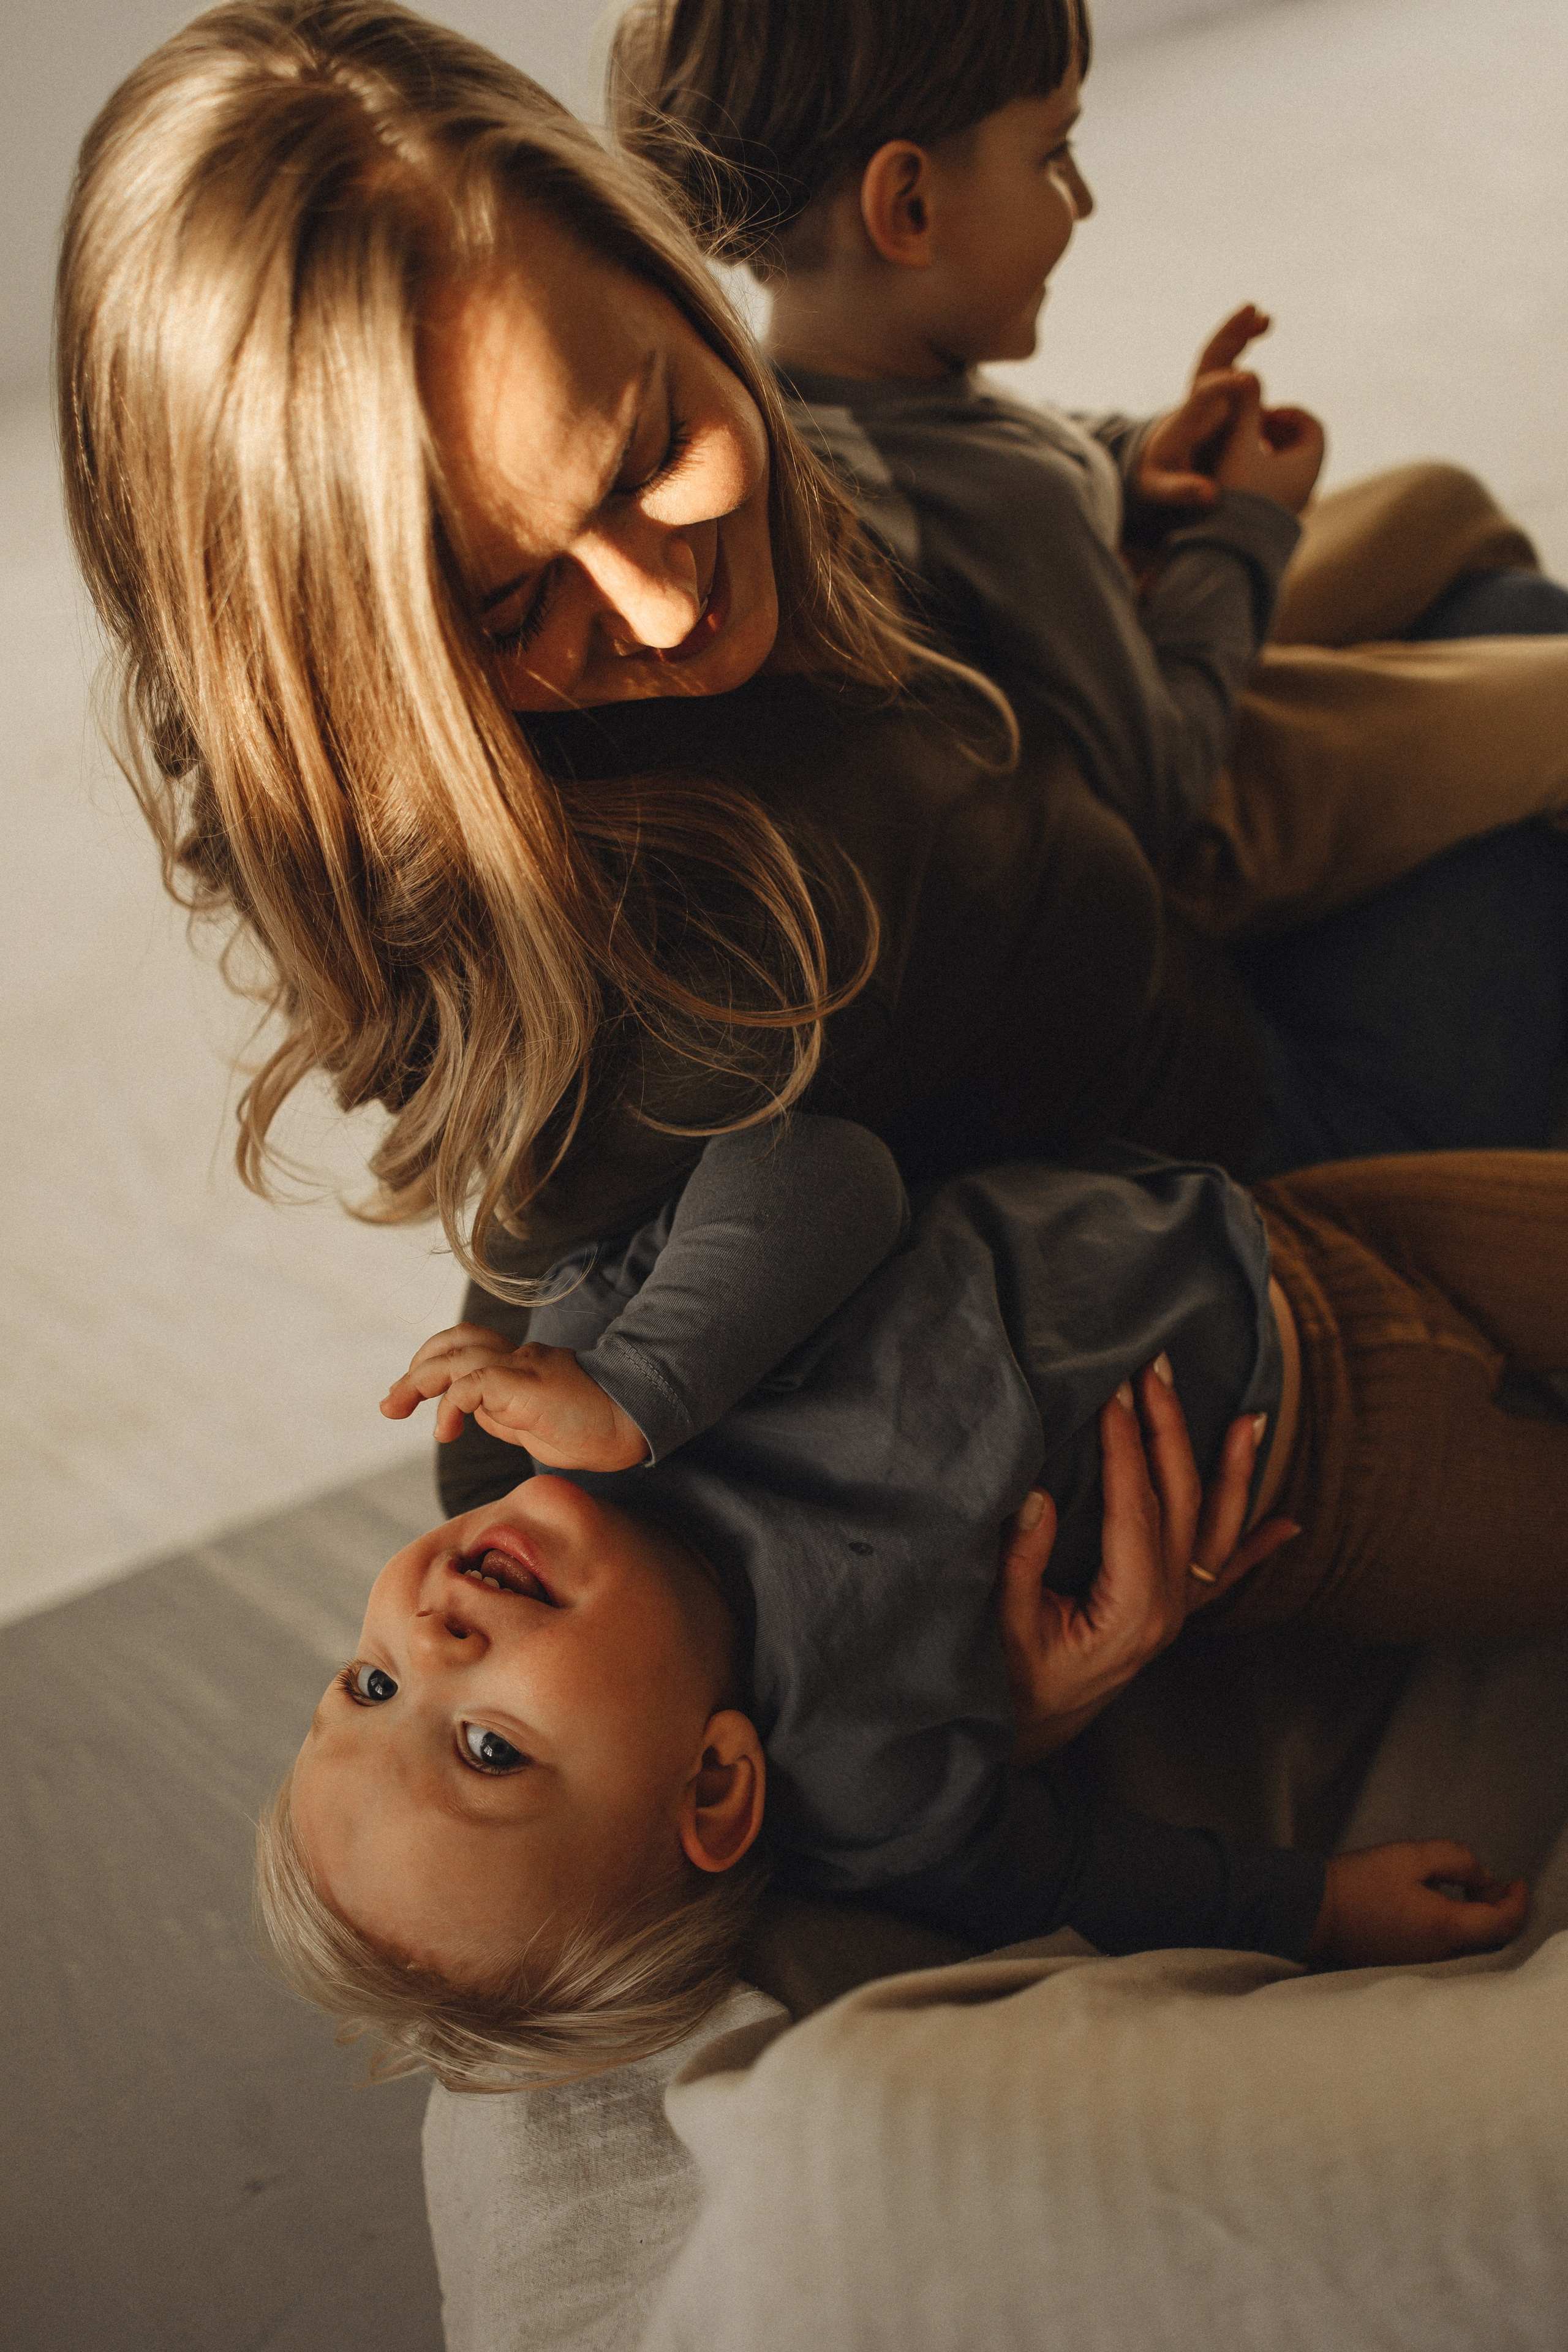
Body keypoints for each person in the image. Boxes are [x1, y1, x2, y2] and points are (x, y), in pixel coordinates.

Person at [56, 0, 1568, 1336]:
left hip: (1150, 952)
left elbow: (995, 484)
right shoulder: (742, 919)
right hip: (1263, 1154)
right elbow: (538, 1360)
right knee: (1508, 636)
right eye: (512, 612)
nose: (659, 616)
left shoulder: (818, 448)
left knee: (1457, 552)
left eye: (650, 450)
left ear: (661, 267)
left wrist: (1140, 492)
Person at [258, 1117, 1568, 2086]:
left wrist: (639, 1389)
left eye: (368, 1684)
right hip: (1340, 1487)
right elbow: (1065, 1875)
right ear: (712, 1787)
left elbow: (815, 1166)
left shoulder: (595, 1369)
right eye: (485, 1745)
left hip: (1281, 1235)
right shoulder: (863, 1786)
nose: (428, 1643)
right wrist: (1319, 1907)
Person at [608, 0, 1568, 928]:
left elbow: (1003, 440)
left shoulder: (810, 393)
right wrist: (1243, 530)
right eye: (1055, 155)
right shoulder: (1008, 506)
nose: (1085, 199)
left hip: (1117, 669)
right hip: (1179, 818)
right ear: (908, 204)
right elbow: (1159, 791)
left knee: (1438, 503)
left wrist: (1142, 455)